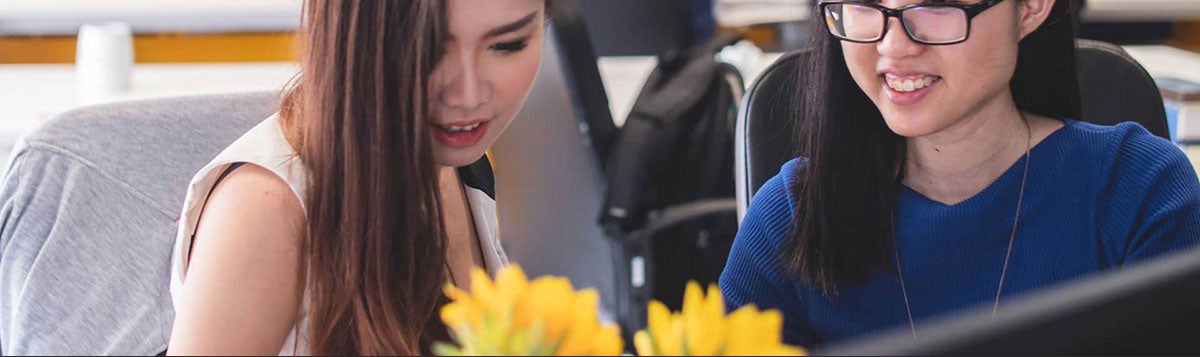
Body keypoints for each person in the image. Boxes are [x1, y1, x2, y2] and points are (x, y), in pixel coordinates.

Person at [720, 0, 1200, 348]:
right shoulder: (789, 215)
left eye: (935, 4)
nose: (894, 44)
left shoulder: (1139, 189)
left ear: (1031, 8)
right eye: (866, 5)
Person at [166, 0, 547, 354]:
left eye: (508, 44)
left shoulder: (457, 162)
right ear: (352, 38)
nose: (468, 95)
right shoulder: (264, 211)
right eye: (428, 49)